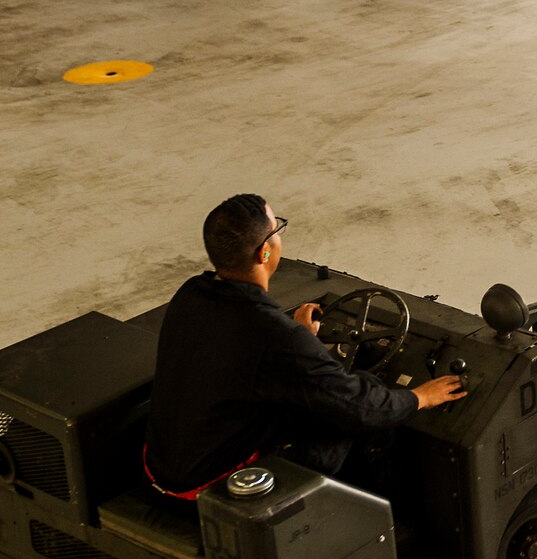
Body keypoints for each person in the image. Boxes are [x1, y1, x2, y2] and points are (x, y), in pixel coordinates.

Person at [143, 194, 465, 496]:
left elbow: (238, 352)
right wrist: (420, 397)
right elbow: (360, 407)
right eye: (277, 229)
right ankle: (383, 521)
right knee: (366, 399)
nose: (280, 235)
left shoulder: (191, 294)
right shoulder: (276, 337)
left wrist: (302, 340)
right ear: (264, 252)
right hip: (213, 484)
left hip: (162, 467)